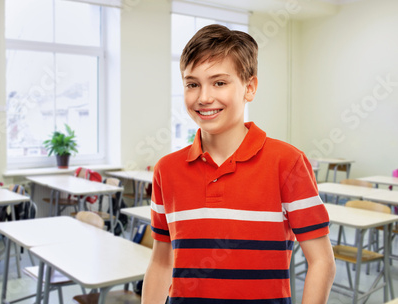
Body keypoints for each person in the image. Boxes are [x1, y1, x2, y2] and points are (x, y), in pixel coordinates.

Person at [142, 24, 336, 304]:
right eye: (192, 84)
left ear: (249, 87)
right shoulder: (166, 169)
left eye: (219, 82)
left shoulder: (287, 162)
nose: (204, 97)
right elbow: (161, 261)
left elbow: (321, 262)